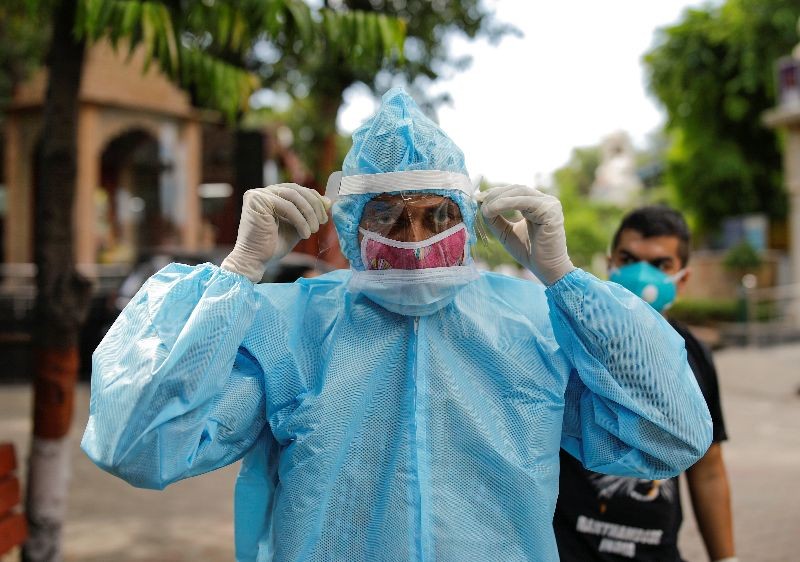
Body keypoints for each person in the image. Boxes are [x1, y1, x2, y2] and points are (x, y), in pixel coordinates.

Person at [81, 89, 712, 562]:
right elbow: (138, 443)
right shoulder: (294, 329)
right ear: (352, 224)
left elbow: (670, 434)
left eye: (436, 217)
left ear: (466, 222)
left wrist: (567, 282)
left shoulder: (529, 327)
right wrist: (236, 272)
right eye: (388, 217)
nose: (414, 239)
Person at [554, 205, 736, 562]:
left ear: (681, 280)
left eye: (660, 265)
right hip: (571, 550)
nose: (641, 274)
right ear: (610, 264)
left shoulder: (694, 356)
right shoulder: (571, 342)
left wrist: (726, 559)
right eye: (629, 258)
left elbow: (709, 470)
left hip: (657, 551)